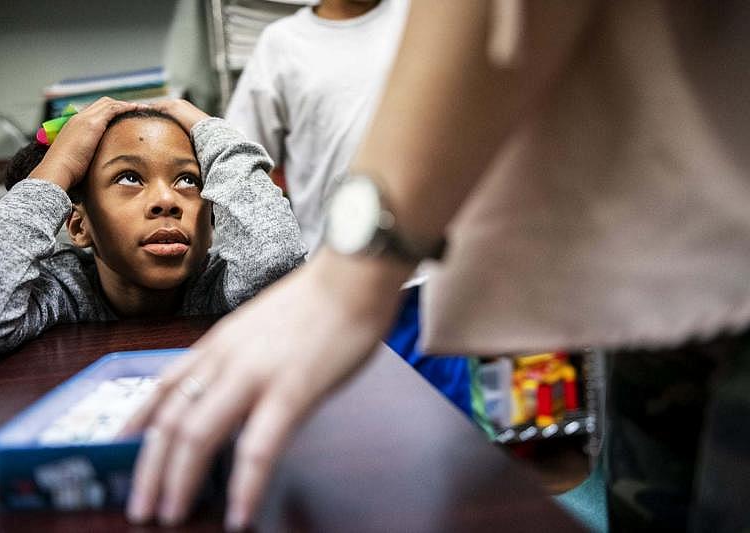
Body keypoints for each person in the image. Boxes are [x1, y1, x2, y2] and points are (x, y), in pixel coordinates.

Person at [127, 1, 750, 531]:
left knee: (456, 439)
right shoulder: (282, 45)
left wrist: (350, 278)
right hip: (669, 274)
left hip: (424, 273)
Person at [226, 0, 482, 424]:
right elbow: (241, 152)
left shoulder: (420, 20)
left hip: (425, 284)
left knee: (445, 432)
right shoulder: (282, 45)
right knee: (356, 432)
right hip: (333, 287)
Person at [0, 97, 306, 358]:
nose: (167, 200)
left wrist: (213, 132)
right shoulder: (62, 291)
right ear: (79, 225)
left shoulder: (222, 287)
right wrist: (57, 168)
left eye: (187, 180)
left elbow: (277, 260)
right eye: (130, 177)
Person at [224, 0, 409, 254]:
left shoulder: (418, 19)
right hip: (329, 261)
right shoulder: (282, 43)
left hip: (426, 260)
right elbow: (241, 158)